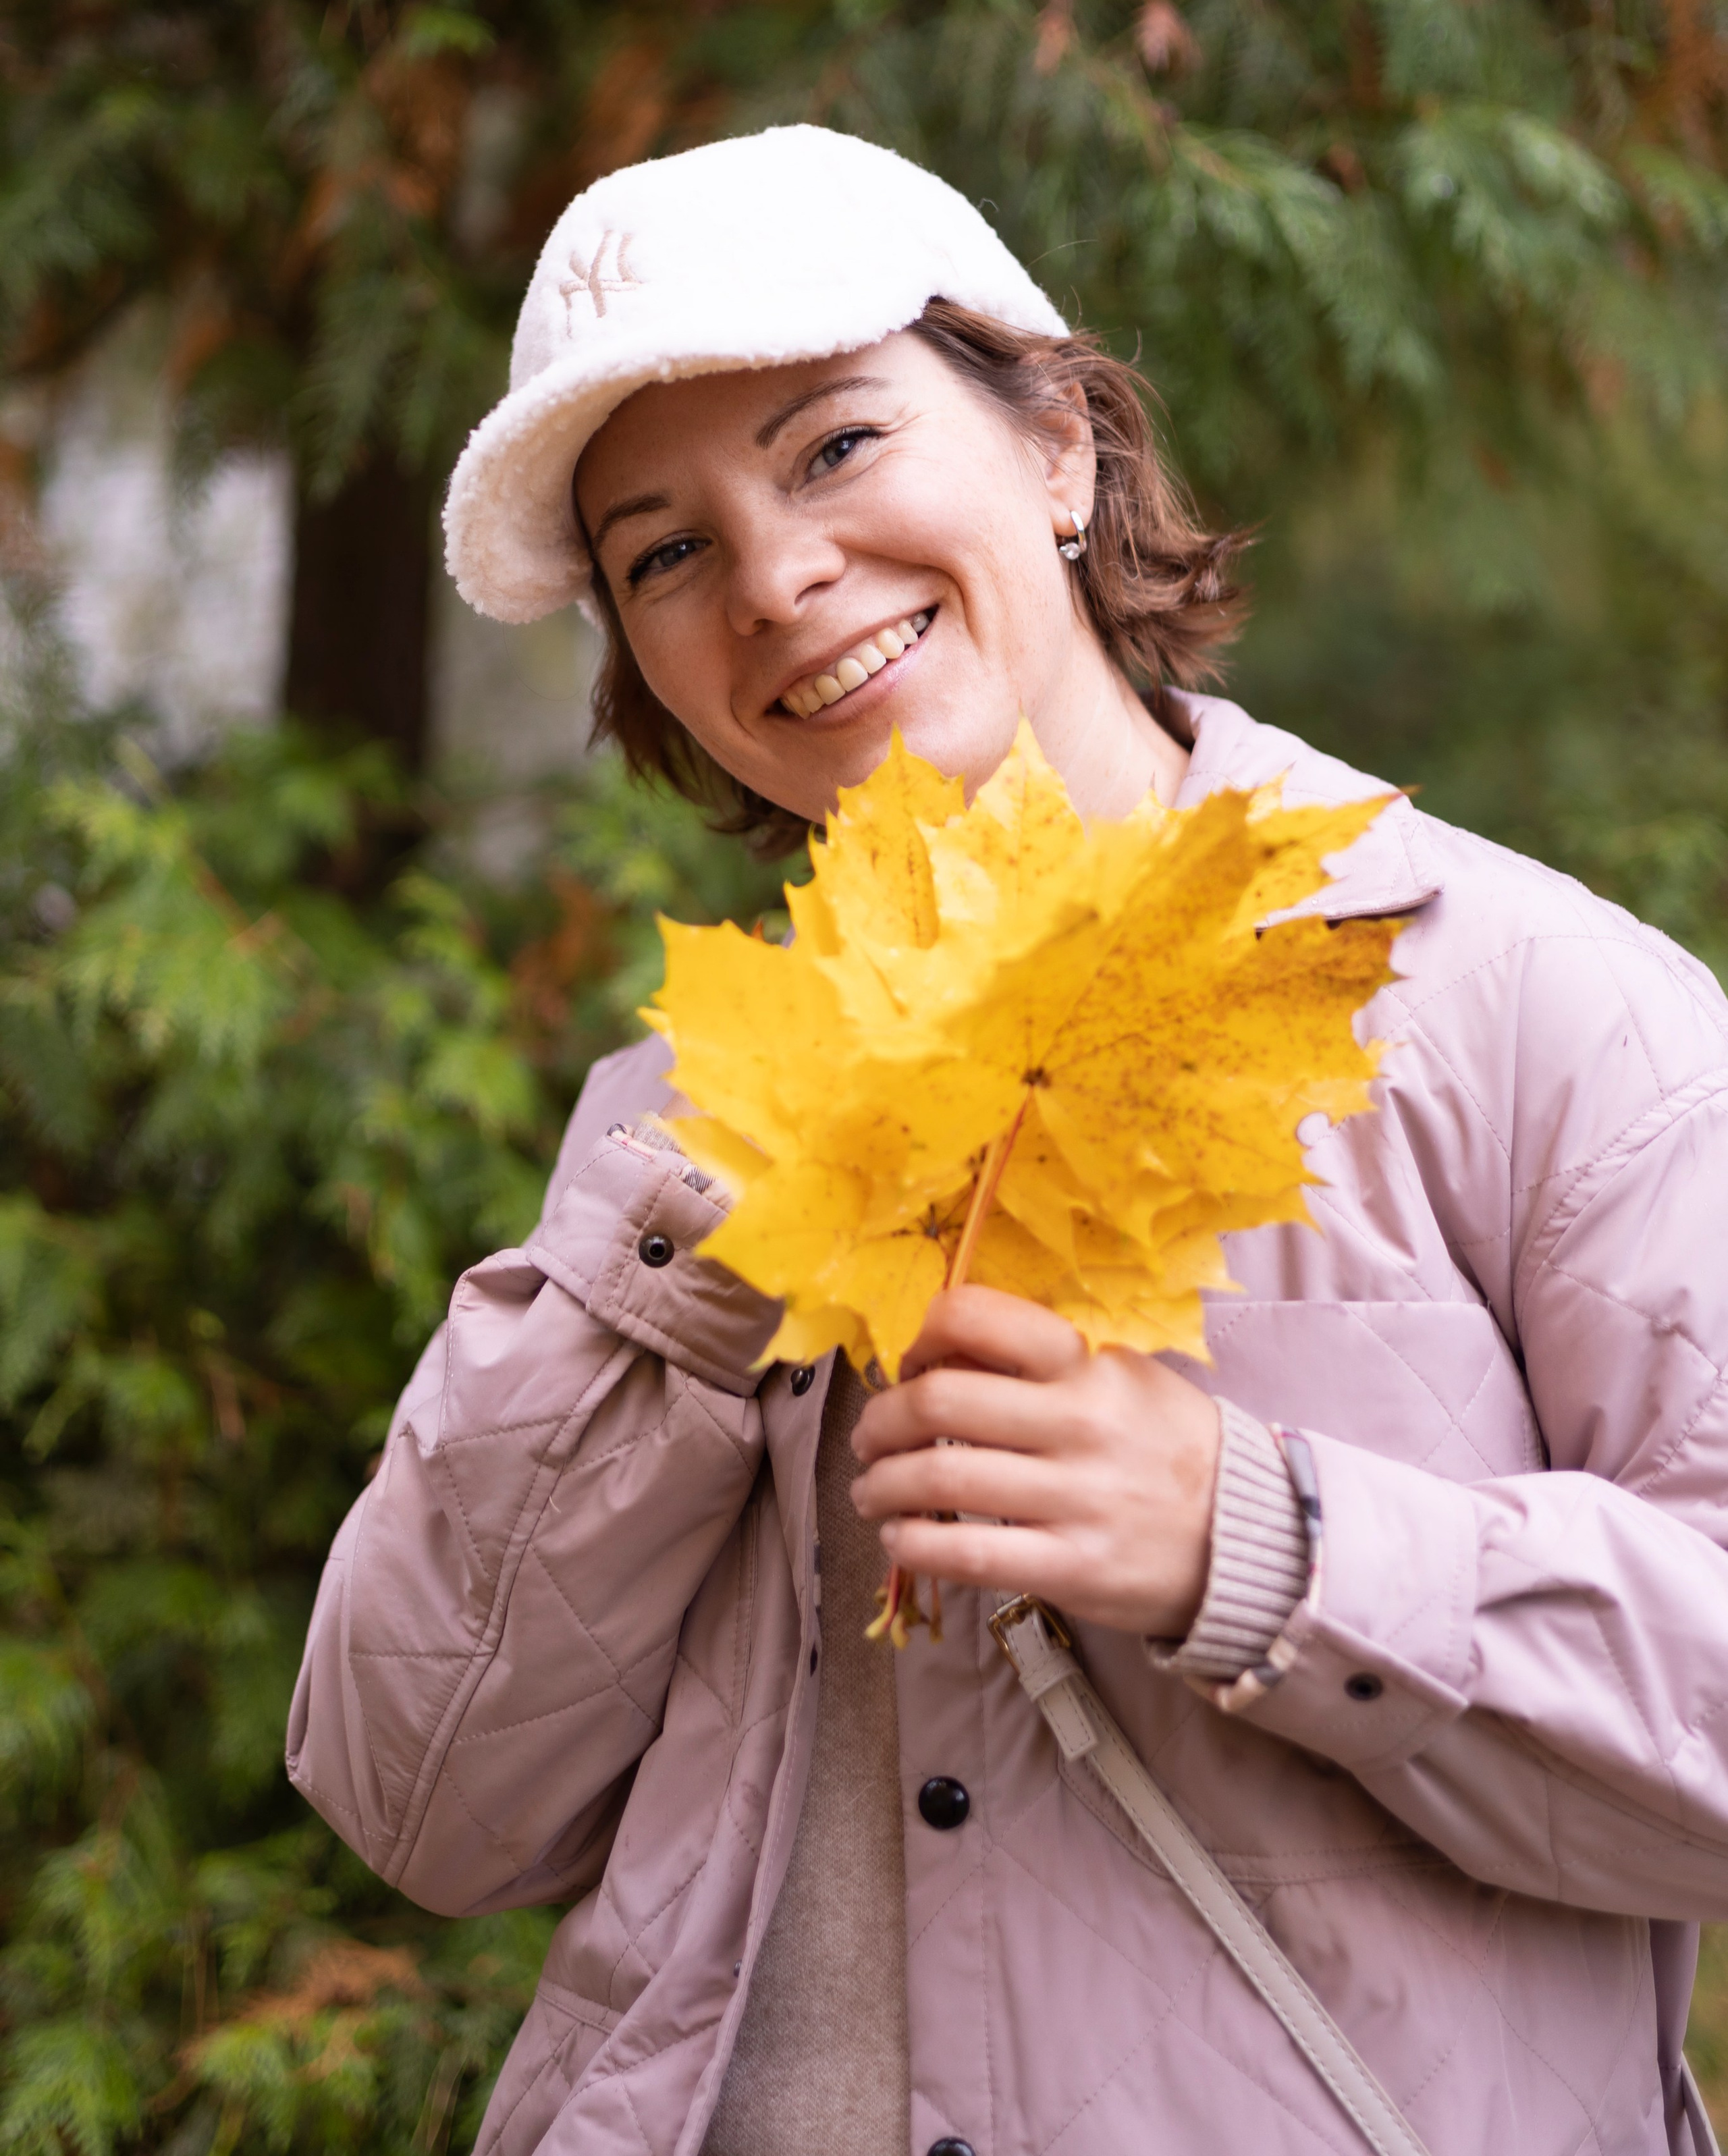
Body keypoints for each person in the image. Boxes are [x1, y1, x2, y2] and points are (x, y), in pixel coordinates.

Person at [288, 124, 1728, 2156]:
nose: (777, 580)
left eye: (834, 448)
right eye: (665, 550)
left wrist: (1261, 1550)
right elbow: (417, 1796)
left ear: (1061, 447)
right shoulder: (672, 1135)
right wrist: (679, 1278)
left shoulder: (1521, 1006)